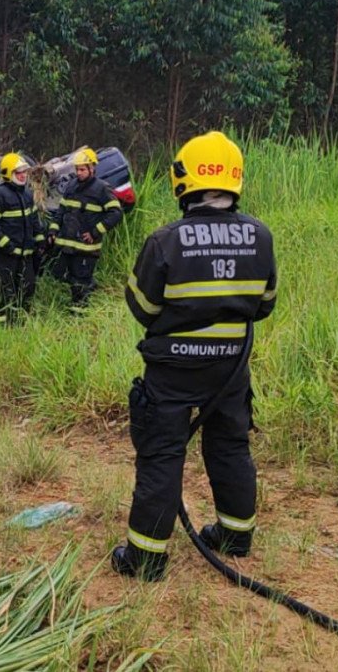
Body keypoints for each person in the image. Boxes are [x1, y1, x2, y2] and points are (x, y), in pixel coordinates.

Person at [111, 131, 277, 582]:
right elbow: (264, 305)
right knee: (229, 447)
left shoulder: (166, 241)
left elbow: (141, 307)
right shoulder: (260, 236)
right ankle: (235, 536)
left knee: (163, 454)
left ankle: (145, 559)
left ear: (183, 179)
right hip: (230, 371)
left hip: (173, 373)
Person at [48, 148, 124, 308]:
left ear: (92, 168)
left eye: (82, 169)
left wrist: (95, 232)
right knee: (59, 274)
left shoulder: (102, 189)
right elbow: (61, 211)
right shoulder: (71, 186)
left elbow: (116, 213)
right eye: (77, 169)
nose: (79, 173)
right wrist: (53, 230)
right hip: (68, 245)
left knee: (79, 283)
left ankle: (79, 313)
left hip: (86, 247)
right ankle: (90, 286)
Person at [0, 152, 46, 323]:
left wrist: (40, 238)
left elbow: (34, 220)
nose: (23, 175)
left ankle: (20, 321)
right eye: (19, 172)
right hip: (5, 255)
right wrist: (6, 244)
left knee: (27, 287)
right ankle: (0, 325)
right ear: (8, 174)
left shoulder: (26, 194)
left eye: (25, 172)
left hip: (25, 254)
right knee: (4, 291)